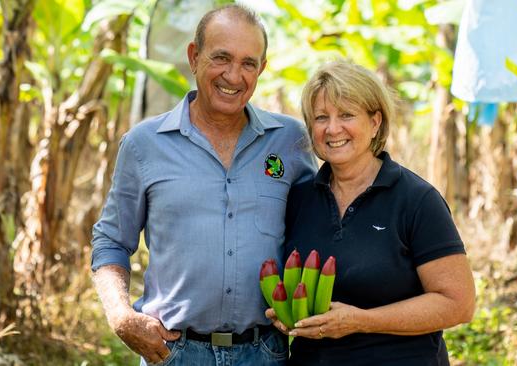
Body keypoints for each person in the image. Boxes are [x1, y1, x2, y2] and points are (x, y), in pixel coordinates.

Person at [91, 5, 317, 366]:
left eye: (248, 63)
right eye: (221, 57)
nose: (234, 75)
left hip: (266, 352)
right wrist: (120, 315)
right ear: (194, 57)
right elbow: (111, 241)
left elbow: (318, 229)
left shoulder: (290, 141)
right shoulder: (144, 144)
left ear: (262, 68)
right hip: (174, 351)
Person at [266, 60, 476, 365]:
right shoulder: (299, 198)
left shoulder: (416, 199)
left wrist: (361, 320)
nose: (333, 128)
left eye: (347, 115)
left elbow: (459, 303)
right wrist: (289, 314)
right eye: (321, 117)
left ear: (375, 122)